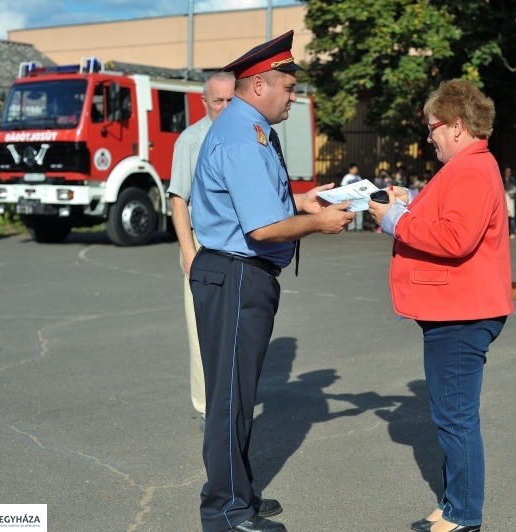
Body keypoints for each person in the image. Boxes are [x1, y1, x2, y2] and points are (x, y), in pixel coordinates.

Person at [189, 30, 353, 532]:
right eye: (287, 86)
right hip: (237, 274)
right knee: (231, 399)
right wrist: (319, 223)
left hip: (237, 272)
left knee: (234, 394)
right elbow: (260, 228)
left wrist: (300, 203)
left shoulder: (249, 127)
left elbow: (259, 205)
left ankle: (233, 492)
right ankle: (228, 512)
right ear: (259, 85)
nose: (292, 96)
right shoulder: (244, 134)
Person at [368, 79, 514, 532]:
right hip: (458, 308)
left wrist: (394, 218)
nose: (428, 136)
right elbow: (449, 218)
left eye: (432, 127)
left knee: (455, 419)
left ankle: (464, 513)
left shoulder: (470, 169)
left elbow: (455, 237)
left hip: (461, 312)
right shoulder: (470, 165)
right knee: (453, 416)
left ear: (455, 126)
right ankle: (455, 504)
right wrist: (409, 203)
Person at [168, 71, 235, 430]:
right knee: (201, 332)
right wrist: (188, 254)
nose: (224, 107)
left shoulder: (246, 134)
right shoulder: (190, 141)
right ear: (203, 101)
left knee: (235, 333)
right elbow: (178, 200)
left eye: (230, 100)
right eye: (217, 101)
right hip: (202, 245)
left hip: (239, 246)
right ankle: (209, 411)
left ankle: (230, 403)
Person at [341, 163, 363, 231]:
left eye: (356, 169)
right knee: (350, 212)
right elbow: (343, 186)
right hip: (350, 198)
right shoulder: (346, 177)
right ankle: (351, 227)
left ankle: (359, 227)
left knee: (359, 213)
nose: (356, 170)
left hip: (358, 198)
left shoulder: (358, 177)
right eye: (354, 169)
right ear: (350, 169)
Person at [502, 165, 516, 238]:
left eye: (509, 171)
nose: (508, 173)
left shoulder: (513, 179)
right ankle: (505, 232)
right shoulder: (501, 179)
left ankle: (513, 232)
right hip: (503, 198)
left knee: (511, 215)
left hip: (511, 199)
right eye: (507, 171)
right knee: (504, 216)